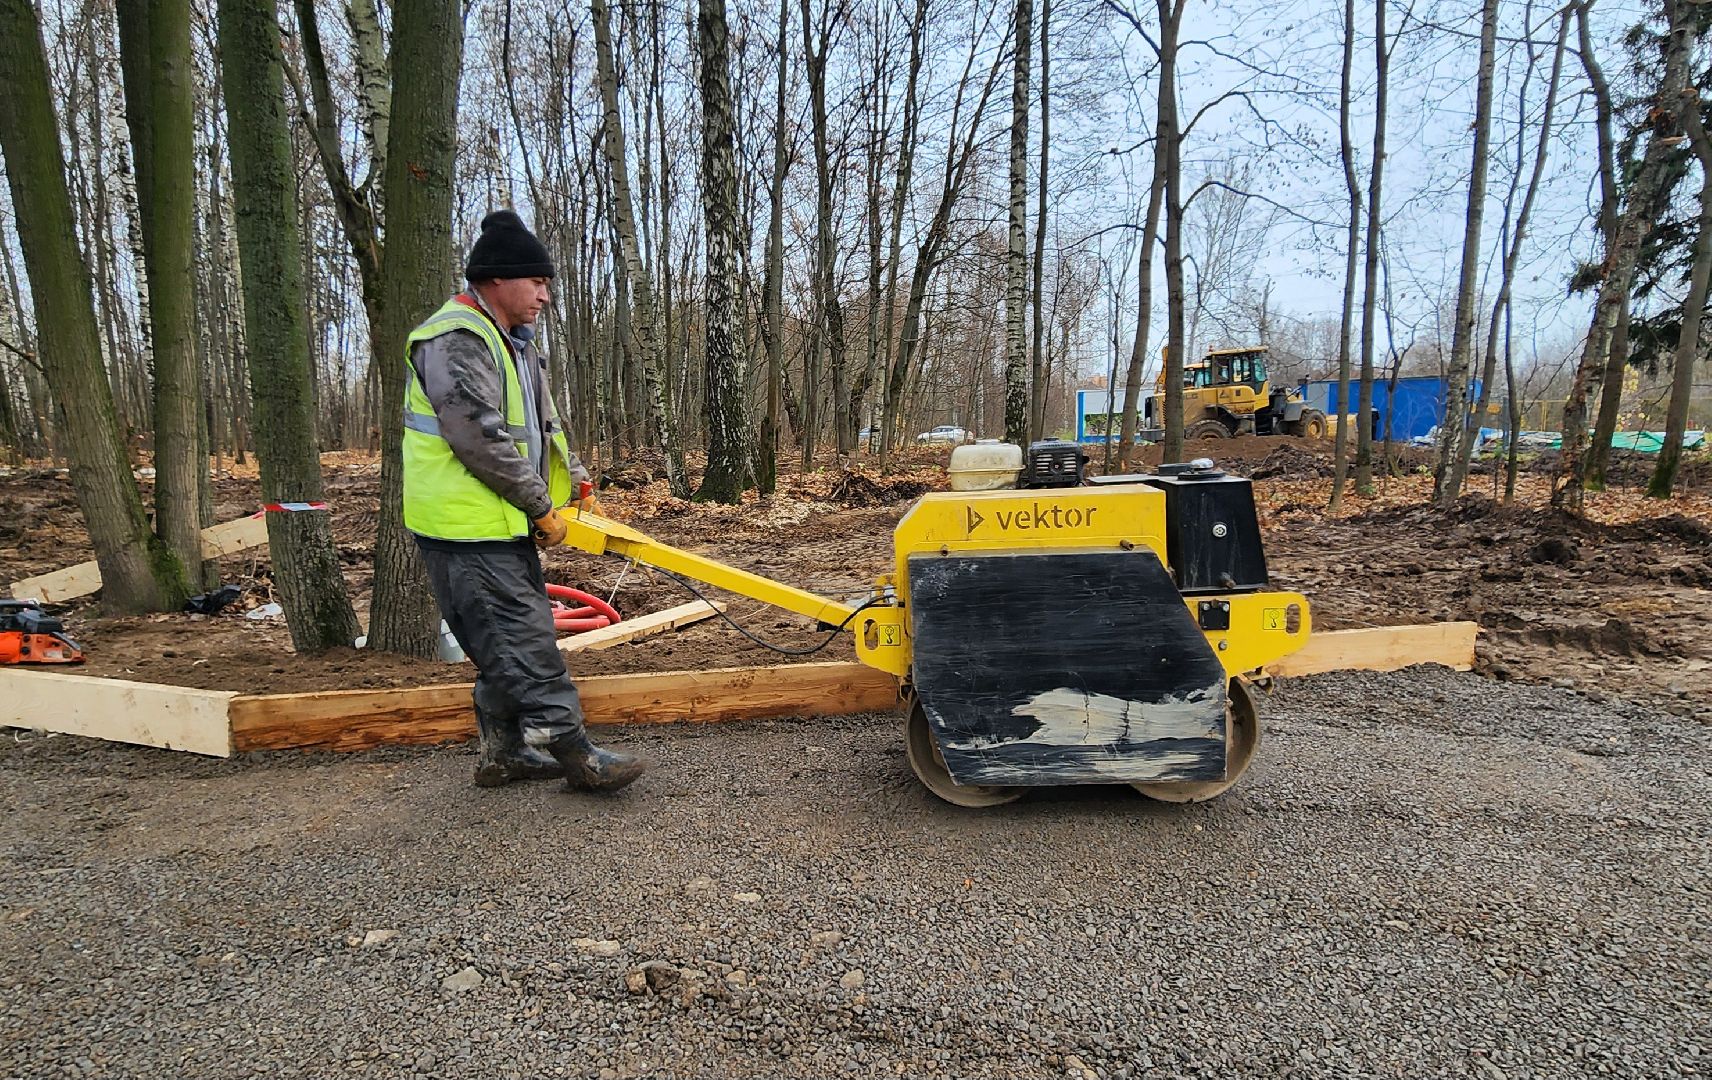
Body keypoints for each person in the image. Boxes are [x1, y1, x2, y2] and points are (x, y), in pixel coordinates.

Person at [401, 209, 646, 794]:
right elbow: (478, 437)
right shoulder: (456, 339)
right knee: (526, 636)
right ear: (494, 281)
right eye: (536, 283)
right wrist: (539, 505)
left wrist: (575, 480)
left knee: (498, 637)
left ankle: (503, 752)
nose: (545, 295)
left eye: (547, 284)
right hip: (465, 526)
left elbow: (542, 426)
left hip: (495, 520)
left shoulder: (512, 341)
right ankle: (575, 753)